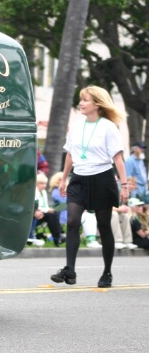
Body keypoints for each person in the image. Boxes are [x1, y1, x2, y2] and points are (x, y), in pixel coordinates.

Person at [51, 86, 129, 288]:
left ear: (97, 104)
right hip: (79, 179)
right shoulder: (77, 126)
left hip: (102, 179)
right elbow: (69, 154)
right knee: (72, 220)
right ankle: (69, 269)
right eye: (81, 100)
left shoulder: (109, 127)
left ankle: (107, 272)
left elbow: (118, 158)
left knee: (104, 226)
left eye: (85, 100)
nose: (81, 104)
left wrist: (125, 185)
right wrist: (63, 179)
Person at [48, 172, 99, 247]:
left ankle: (91, 238)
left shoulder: (69, 190)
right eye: (59, 179)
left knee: (90, 216)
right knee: (88, 217)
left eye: (63, 179)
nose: (62, 181)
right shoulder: (56, 191)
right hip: (64, 214)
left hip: (72, 212)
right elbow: (66, 202)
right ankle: (90, 240)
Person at [29, 173, 64, 246]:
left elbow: (45, 205)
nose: (44, 185)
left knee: (54, 213)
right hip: (34, 215)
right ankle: (58, 236)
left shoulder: (44, 192)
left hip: (42, 213)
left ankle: (58, 236)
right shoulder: (33, 192)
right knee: (50, 215)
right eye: (41, 183)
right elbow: (35, 206)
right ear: (36, 183)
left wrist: (48, 209)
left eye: (45, 184)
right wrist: (47, 210)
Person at [111, 177, 137, 250]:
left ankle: (127, 241)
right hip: (101, 214)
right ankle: (117, 241)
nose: (115, 182)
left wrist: (122, 209)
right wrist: (119, 209)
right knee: (114, 214)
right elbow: (105, 207)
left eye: (116, 181)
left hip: (113, 212)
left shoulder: (118, 191)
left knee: (124, 216)